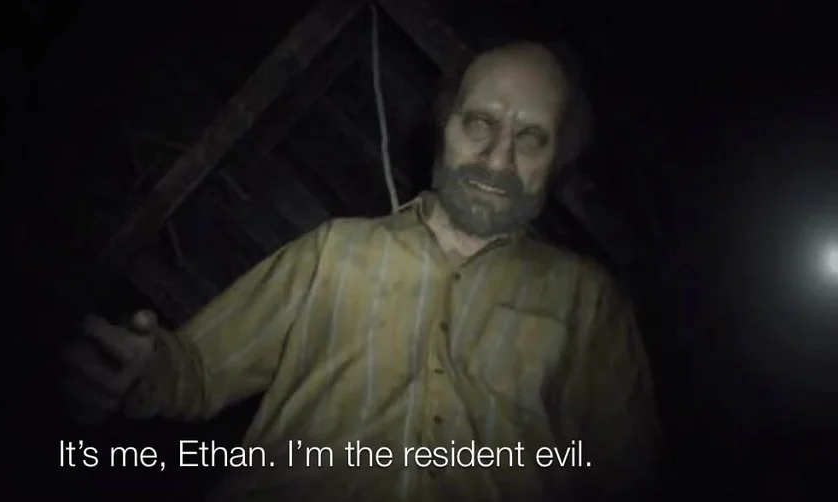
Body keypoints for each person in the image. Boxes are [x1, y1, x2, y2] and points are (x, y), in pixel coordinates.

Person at [61, 41, 664, 502]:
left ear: (556, 163)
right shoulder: (335, 250)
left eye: (531, 138)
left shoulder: (589, 303)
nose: (498, 157)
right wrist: (134, 370)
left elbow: (633, 480)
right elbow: (194, 370)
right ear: (444, 129)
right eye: (480, 122)